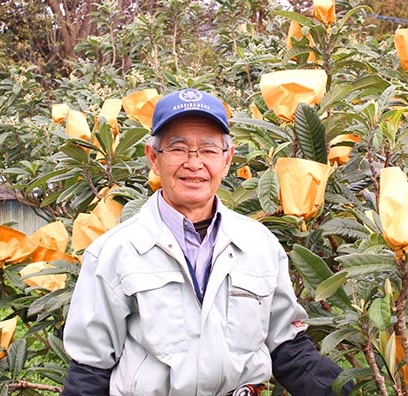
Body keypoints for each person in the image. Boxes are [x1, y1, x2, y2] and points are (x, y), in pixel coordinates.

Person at [62, 89, 353, 396]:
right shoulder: (114, 252)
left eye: (209, 150)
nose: (194, 163)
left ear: (227, 159)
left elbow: (287, 346)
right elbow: (90, 371)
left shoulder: (259, 245)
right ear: (153, 158)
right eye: (177, 149)